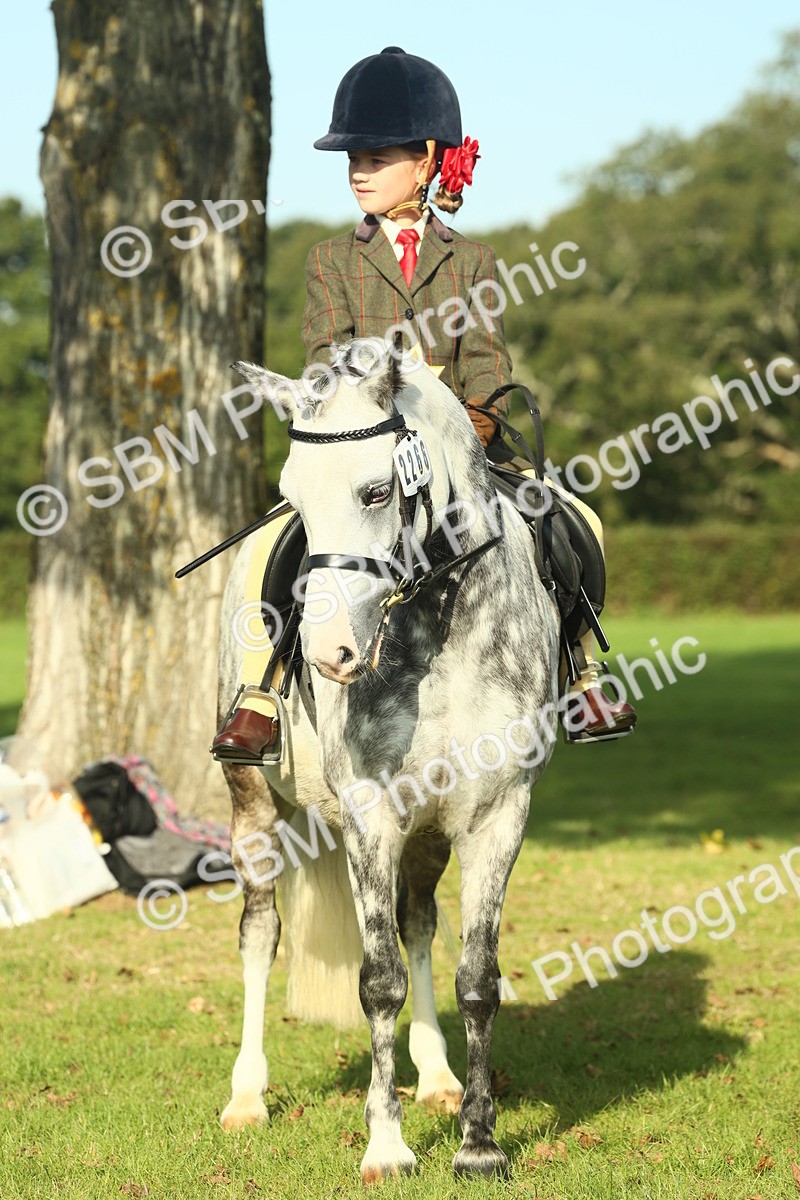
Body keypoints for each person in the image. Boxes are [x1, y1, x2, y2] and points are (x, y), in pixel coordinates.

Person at [211, 46, 636, 763]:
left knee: (573, 519)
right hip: (364, 447)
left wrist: (474, 420)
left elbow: (488, 360)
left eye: (376, 158)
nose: (359, 171)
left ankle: (579, 671)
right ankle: (262, 689)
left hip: (459, 448)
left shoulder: (473, 261)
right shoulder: (330, 260)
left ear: (428, 162)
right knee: (270, 546)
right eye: (353, 159)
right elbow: (326, 358)